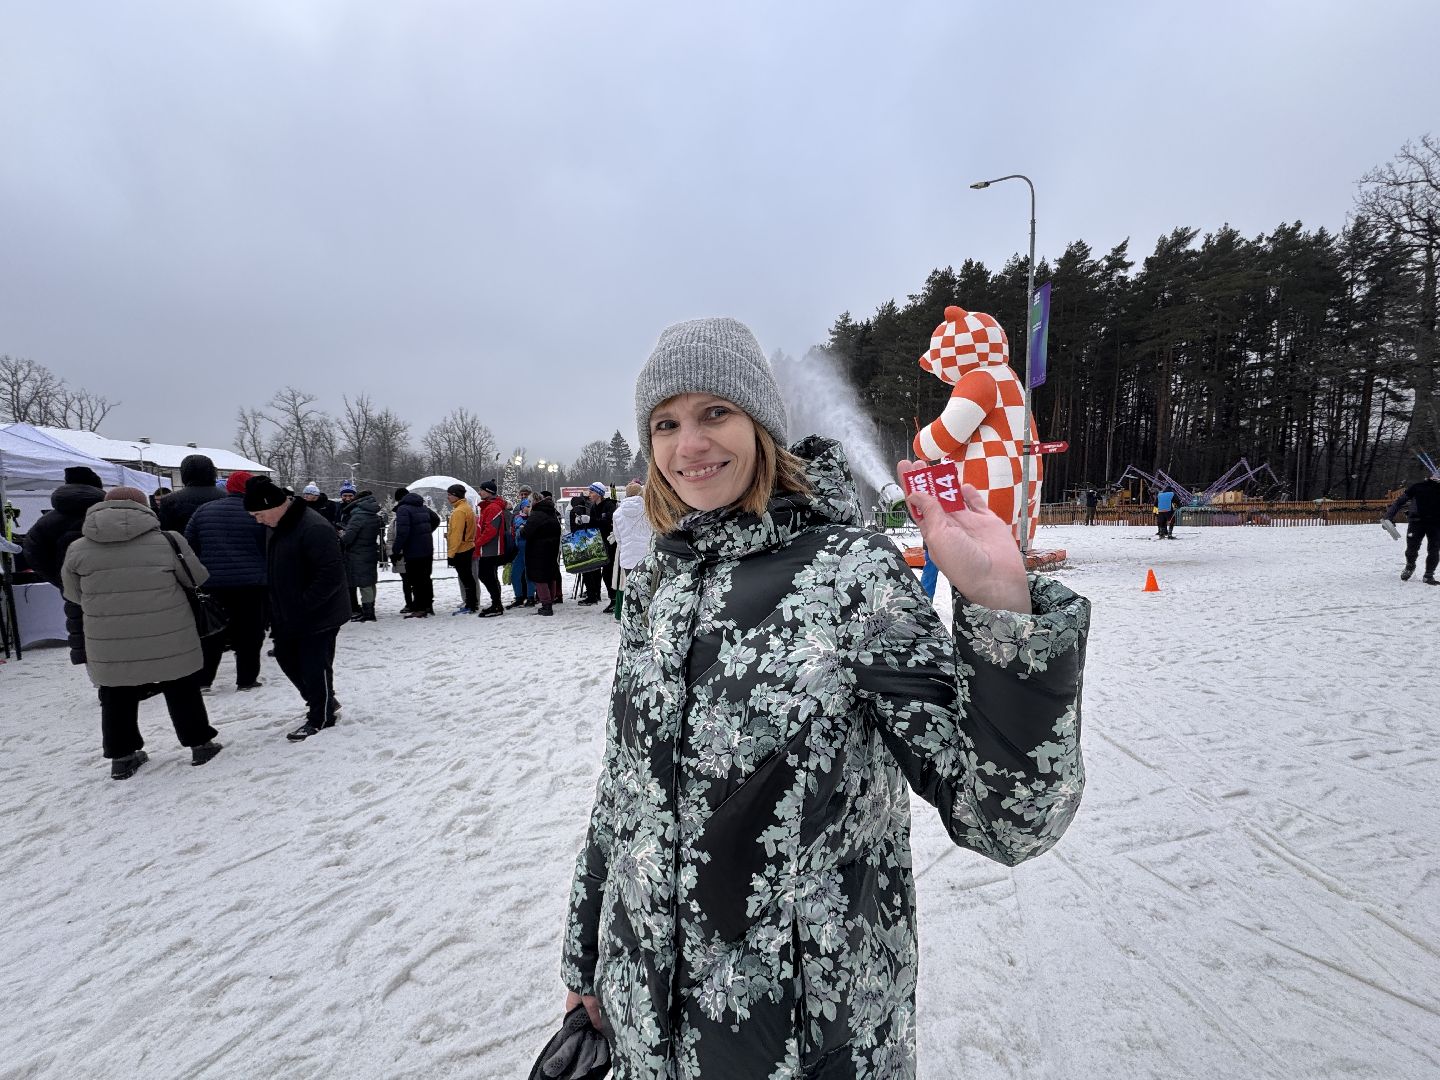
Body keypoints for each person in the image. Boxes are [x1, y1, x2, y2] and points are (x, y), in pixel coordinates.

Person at [558, 317, 1089, 1078]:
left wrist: (1001, 601)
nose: (689, 445)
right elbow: (621, 801)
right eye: (666, 423)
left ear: (763, 426)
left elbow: (1006, 820)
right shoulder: (658, 589)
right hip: (650, 1029)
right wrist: (586, 968)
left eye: (716, 413)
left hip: (810, 1046)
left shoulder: (848, 573)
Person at [60, 486, 222, 779]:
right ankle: (200, 744)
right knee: (181, 687)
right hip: (168, 631)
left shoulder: (78, 547)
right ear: (145, 507)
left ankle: (122, 757)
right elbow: (196, 577)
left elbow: (73, 594)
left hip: (108, 637)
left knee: (116, 694)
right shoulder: (168, 541)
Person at [245, 477, 351, 741]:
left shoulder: (313, 527)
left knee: (315, 664)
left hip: (319, 612)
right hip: (287, 611)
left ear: (274, 505)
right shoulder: (277, 525)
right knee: (285, 656)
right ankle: (323, 701)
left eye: (258, 514)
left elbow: (331, 574)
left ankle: (321, 716)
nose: (257, 520)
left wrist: (304, 605)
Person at [184, 469, 268, 692]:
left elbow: (189, 544)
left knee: (213, 631)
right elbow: (268, 544)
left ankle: (204, 680)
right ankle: (247, 680)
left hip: (213, 583)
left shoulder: (204, 511)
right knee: (250, 633)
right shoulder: (258, 512)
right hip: (252, 583)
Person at [22, 466, 106, 669]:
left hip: (72, 590)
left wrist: (61, 580)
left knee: (83, 631)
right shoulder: (108, 514)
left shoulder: (47, 521)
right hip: (112, 584)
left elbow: (33, 553)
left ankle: (100, 683)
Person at [1383, 473, 1440, 584]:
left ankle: (1428, 575)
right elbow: (1399, 502)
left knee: (1434, 549)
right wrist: (1388, 517)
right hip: (1416, 522)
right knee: (1412, 549)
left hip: (1436, 524)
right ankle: (1410, 566)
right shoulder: (1418, 487)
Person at [392, 487, 440, 618]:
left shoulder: (403, 509)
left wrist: (396, 550)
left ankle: (419, 608)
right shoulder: (423, 507)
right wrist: (425, 532)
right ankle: (428, 605)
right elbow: (436, 519)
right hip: (427, 548)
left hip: (413, 551)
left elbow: (402, 533)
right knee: (425, 578)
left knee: (415, 580)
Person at [609, 480, 652, 621]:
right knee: (649, 590)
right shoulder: (649, 509)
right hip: (646, 556)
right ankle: (648, 616)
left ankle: (633, 617)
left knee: (632, 589)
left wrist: (625, 548)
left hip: (627, 559)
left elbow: (618, 538)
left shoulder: (617, 513)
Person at [341, 489, 384, 621]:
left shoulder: (358, 516)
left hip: (357, 554)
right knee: (370, 582)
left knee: (364, 584)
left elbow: (348, 538)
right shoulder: (373, 515)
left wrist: (342, 534)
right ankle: (369, 610)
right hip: (370, 551)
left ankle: (368, 613)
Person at [157, 454, 226, 533]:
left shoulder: (169, 501)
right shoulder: (226, 497)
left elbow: (166, 533)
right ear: (212, 472)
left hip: (182, 544)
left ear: (184, 473)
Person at [472, 479, 510, 617]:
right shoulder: (489, 506)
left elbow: (491, 530)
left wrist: (477, 543)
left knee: (486, 575)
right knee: (489, 576)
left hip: (490, 549)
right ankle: (496, 603)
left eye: (481, 490)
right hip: (488, 548)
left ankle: (497, 604)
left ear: (488, 492)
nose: (479, 492)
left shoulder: (492, 508)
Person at [522, 491, 563, 616]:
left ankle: (546, 604)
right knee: (551, 575)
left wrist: (522, 529)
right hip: (551, 548)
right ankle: (550, 599)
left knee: (540, 577)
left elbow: (527, 532)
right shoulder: (551, 512)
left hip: (538, 550)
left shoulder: (537, 514)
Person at [445, 484, 479, 614]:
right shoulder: (466, 508)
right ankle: (472, 603)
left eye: (449, 494)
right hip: (467, 546)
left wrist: (451, 554)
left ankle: (471, 604)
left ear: (456, 495)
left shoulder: (459, 511)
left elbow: (456, 534)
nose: (448, 497)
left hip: (462, 549)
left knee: (466, 577)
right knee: (468, 577)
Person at [588, 482, 618, 606]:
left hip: (610, 543)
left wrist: (591, 520)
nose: (589, 495)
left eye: (592, 492)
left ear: (599, 494)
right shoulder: (593, 507)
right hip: (599, 543)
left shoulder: (609, 505)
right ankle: (610, 598)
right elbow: (594, 524)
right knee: (603, 573)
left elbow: (608, 522)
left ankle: (615, 600)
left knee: (608, 572)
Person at [508, 486, 537, 608]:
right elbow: (515, 531)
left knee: (529, 574)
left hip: (530, 549)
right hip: (519, 550)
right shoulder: (517, 518)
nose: (529, 508)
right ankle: (519, 597)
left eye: (530, 506)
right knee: (515, 574)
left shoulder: (534, 517)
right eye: (527, 506)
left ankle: (531, 597)